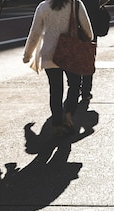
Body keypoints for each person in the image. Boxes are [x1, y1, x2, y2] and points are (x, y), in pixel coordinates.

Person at [23, 0, 94, 137]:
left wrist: (28, 54)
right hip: (71, 53)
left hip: (50, 55)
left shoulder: (43, 6)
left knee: (55, 89)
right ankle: (68, 116)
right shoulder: (76, 4)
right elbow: (88, 31)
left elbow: (35, 32)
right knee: (74, 85)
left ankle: (57, 123)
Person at [80, 0, 109, 101]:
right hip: (92, 28)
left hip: (76, 29)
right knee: (89, 59)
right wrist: (99, 4)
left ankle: (75, 86)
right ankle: (86, 91)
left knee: (75, 57)